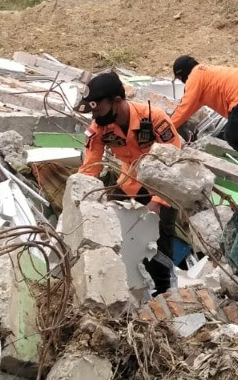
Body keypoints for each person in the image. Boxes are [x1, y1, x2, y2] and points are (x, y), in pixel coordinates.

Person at [76, 72, 183, 295]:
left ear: (116, 101)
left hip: (163, 185)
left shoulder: (154, 119)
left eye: (98, 109)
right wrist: (82, 197)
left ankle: (164, 291)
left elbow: (174, 163)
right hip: (129, 182)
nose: (95, 115)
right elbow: (90, 166)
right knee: (112, 226)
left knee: (157, 238)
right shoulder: (100, 127)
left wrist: (157, 202)